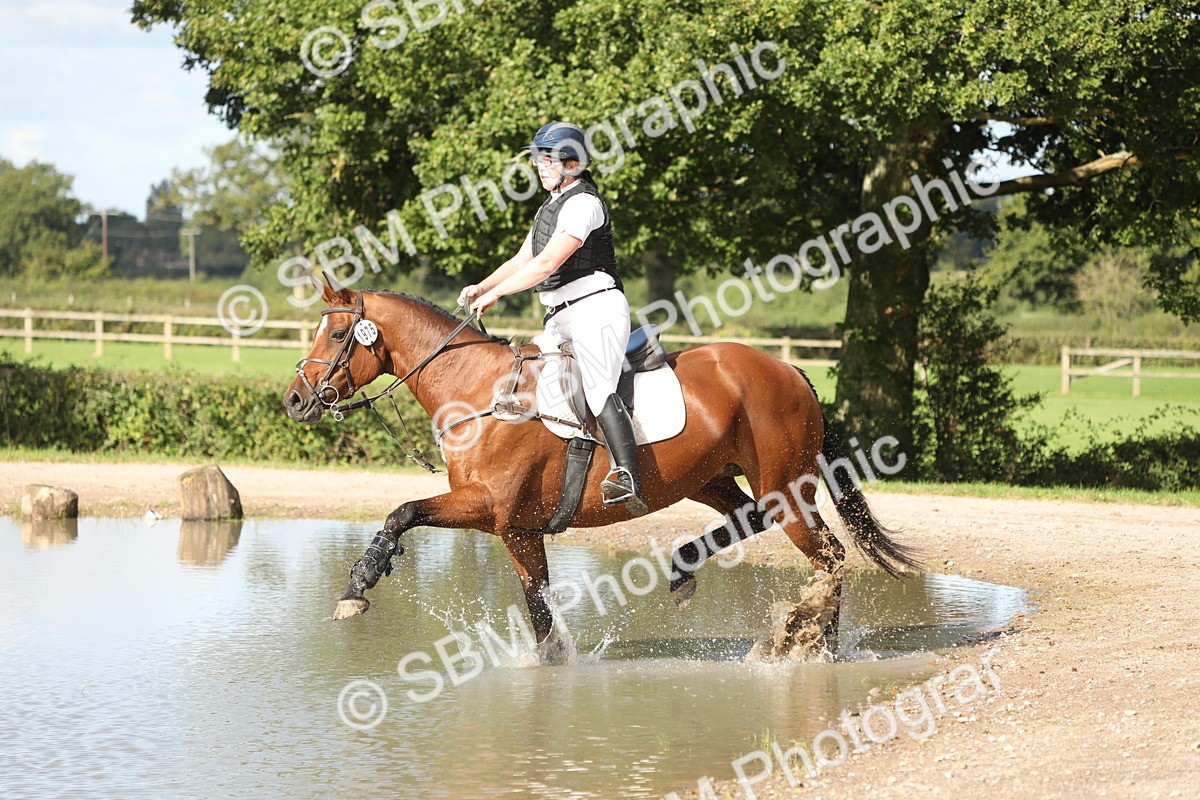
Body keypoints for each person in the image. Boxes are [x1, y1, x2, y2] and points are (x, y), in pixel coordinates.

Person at [458, 121, 647, 516]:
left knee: (597, 388)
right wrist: (482, 285)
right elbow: (522, 259)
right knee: (518, 372)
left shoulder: (584, 204)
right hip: (559, 319)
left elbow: (546, 264)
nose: (540, 167)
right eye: (539, 160)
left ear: (572, 163)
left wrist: (497, 295)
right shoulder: (549, 207)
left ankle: (627, 475)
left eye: (548, 160)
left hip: (596, 311)